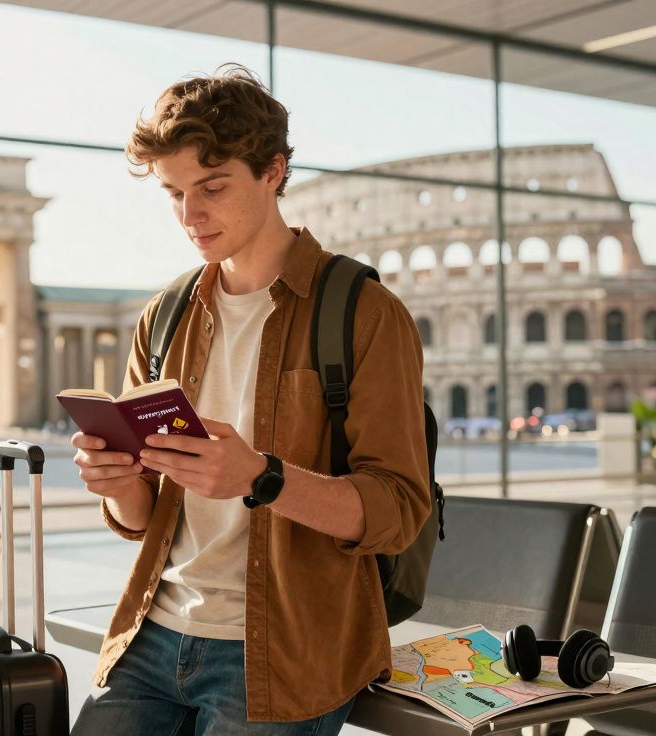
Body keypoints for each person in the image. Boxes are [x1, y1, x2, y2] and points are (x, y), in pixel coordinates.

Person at [69, 65, 431, 735]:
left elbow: (398, 510)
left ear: (273, 172)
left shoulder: (364, 314)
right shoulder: (165, 315)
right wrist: (115, 485)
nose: (191, 216)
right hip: (153, 632)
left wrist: (262, 478)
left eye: (212, 188)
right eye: (174, 193)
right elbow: (143, 517)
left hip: (286, 653)